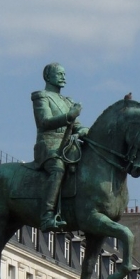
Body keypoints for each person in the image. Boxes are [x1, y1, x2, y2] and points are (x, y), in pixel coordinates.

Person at [31, 63, 88, 231]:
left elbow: (77, 125)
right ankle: (47, 215)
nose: (64, 77)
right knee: (58, 169)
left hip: (68, 146)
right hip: (48, 145)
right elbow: (44, 121)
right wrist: (69, 116)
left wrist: (84, 130)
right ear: (48, 76)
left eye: (64, 74)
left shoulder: (67, 101)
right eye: (59, 74)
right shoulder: (41, 96)